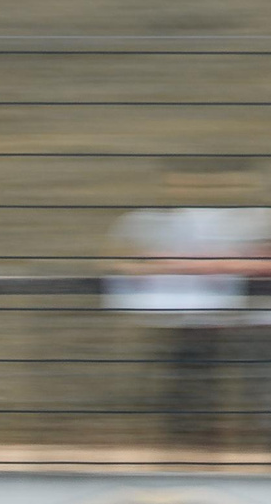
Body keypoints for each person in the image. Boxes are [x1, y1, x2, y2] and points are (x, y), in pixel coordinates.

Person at [106, 165, 271, 450]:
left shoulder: (252, 220)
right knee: (194, 374)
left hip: (244, 321)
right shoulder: (186, 222)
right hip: (206, 319)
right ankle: (192, 440)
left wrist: (186, 264)